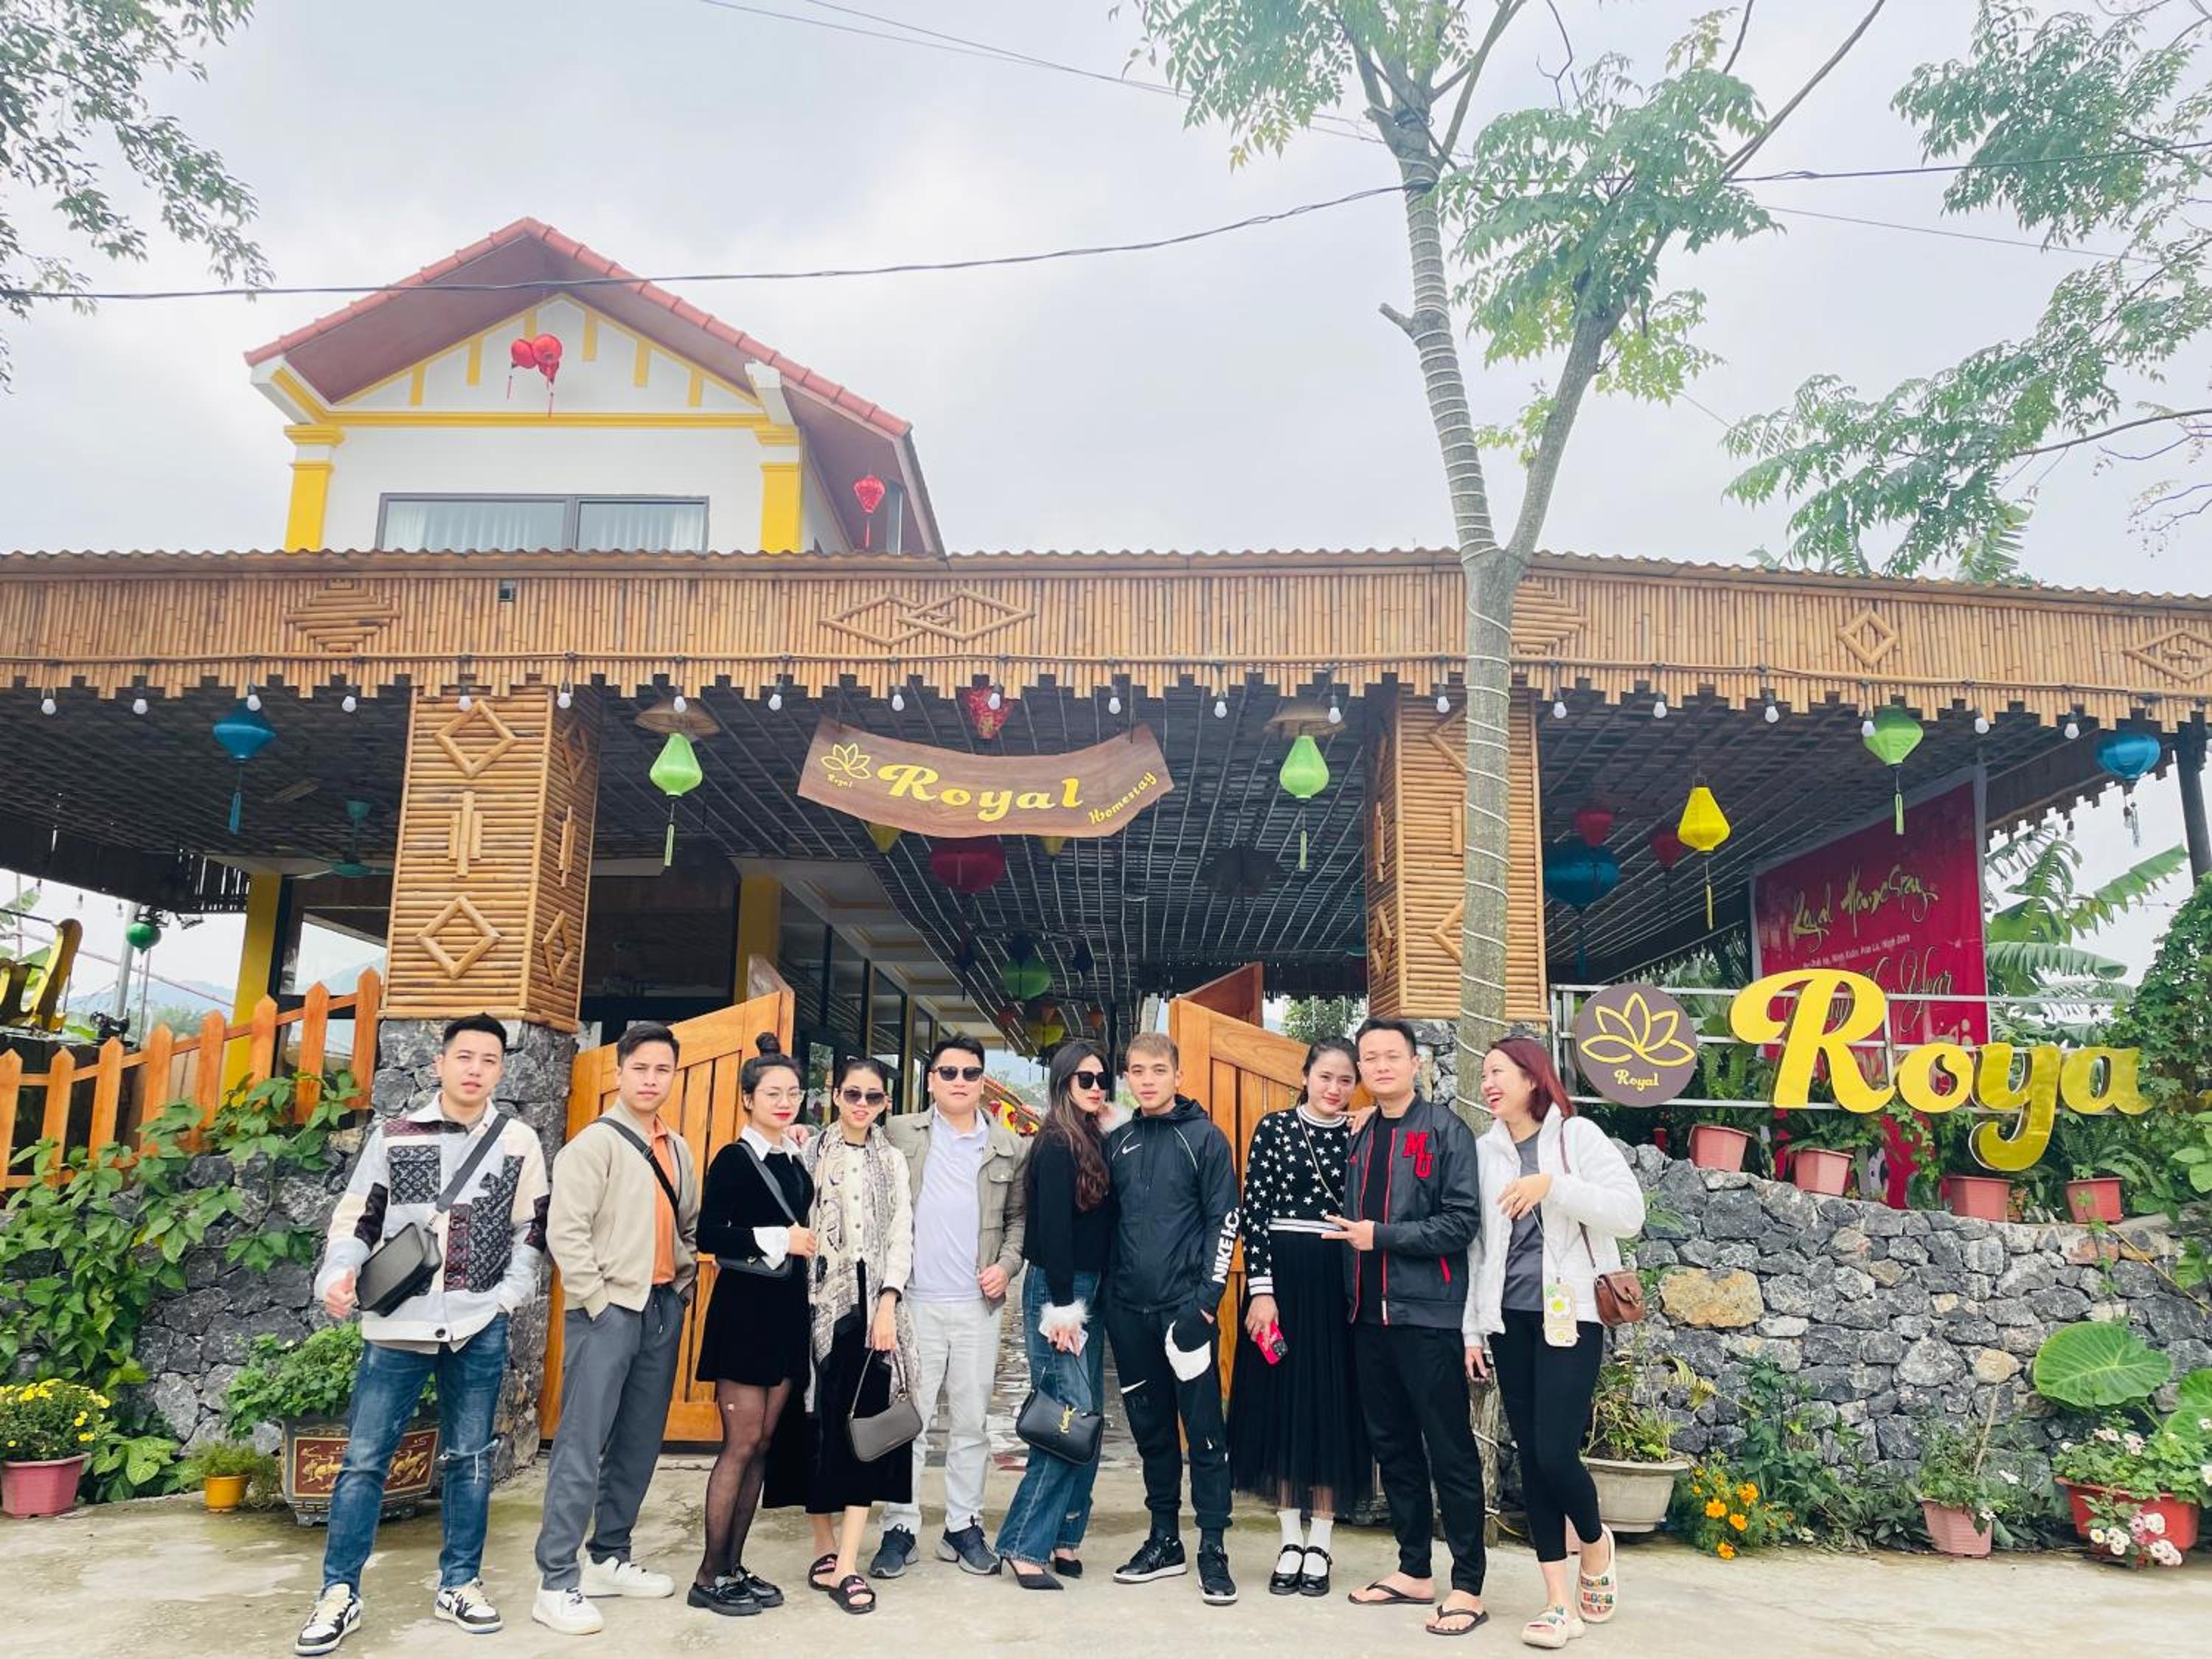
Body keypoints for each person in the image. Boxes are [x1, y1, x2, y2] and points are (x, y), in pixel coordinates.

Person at [294, 1015, 551, 1656]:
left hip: (476, 1323)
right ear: (440, 1063)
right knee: (364, 1460)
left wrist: (509, 1297)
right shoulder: (395, 1135)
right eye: (464, 1056)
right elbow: (359, 1217)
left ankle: (459, 1582)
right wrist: (338, 1272)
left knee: (471, 1458)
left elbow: (532, 1226)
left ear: (502, 1069)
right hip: (397, 1326)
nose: (475, 1069)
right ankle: (339, 1592)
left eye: (489, 1060)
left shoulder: (518, 1140)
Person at [1464, 1037, 1644, 1650]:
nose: (1489, 1084)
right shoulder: (1485, 1152)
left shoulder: (1577, 1137)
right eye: (1484, 1075)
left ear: (1533, 1078)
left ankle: (1593, 1541)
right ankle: (1557, 1603)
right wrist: (1473, 1328)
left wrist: (1552, 1186)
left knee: (1554, 1452)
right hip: (1509, 1320)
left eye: (1499, 1073)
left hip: (1571, 1317)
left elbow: (1629, 1213)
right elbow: (1479, 1249)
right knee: (1530, 1455)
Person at [530, 1020, 700, 1635]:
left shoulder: (678, 1149)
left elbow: (689, 1225)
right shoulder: (593, 1145)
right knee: (581, 1443)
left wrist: (680, 1291)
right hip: (607, 1311)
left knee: (638, 1440)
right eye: (641, 1068)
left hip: (659, 1308)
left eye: (662, 1070)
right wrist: (599, 1303)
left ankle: (609, 1556)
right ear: (620, 1072)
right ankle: (556, 1580)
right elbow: (566, 1232)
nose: (651, 1079)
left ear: (673, 1076)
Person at [1329, 1017, 1487, 1638]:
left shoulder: (1447, 1132)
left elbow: (1461, 1222)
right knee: (1392, 1447)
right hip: (1368, 1317)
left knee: (1449, 1450)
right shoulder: (1363, 1134)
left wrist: (1383, 1237)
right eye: (1369, 1058)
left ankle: (1468, 1584)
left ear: (1416, 1063)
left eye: (1392, 1056)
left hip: (1428, 1317)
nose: (1380, 1066)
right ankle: (1415, 1570)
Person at [869, 1036, 1030, 1579]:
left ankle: (963, 1526)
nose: (960, 1081)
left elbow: (1018, 1220)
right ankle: (900, 1526)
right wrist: (803, 1135)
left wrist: (1006, 1265)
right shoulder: (899, 1133)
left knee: (970, 1423)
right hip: (913, 1302)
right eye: (949, 1072)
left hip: (977, 1307)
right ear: (931, 1079)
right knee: (906, 1421)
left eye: (970, 1073)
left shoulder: (1008, 1146)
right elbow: (849, 1143)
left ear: (983, 1081)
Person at [1228, 1036, 1371, 1601]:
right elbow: (1254, 1213)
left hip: (1339, 1280)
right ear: (1305, 1075)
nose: (1334, 1089)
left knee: (1330, 1405)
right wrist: (1261, 1292)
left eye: (1345, 1080)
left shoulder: (1363, 1133)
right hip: (1281, 1281)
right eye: (1325, 1076)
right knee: (1282, 1403)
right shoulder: (1275, 1129)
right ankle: (1290, 1539)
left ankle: (1322, 1542)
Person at [1105, 1032, 1240, 1607]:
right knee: (1152, 1433)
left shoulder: (1205, 1139)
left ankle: (1213, 1546)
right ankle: (1165, 1540)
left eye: (1158, 1070)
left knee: (1204, 1430)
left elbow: (1225, 1220)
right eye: (1137, 1071)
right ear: (1127, 1078)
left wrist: (1205, 1303)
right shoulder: (1118, 1141)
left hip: (1185, 1313)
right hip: (1128, 1313)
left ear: (1178, 1076)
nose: (1148, 1080)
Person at [690, 1034, 814, 1618]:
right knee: (739, 1445)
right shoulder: (732, 1159)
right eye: (773, 1093)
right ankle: (708, 1575)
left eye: (793, 1093)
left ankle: (734, 1566)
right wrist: (779, 1239)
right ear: (748, 1099)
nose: (785, 1102)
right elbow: (709, 1235)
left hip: (788, 1311)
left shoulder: (793, 1157)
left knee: (763, 1444)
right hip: (745, 1312)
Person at [995, 1040, 1118, 1588]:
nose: (1096, 1087)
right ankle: (1025, 1543)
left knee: (1087, 1419)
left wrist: (1115, 1124)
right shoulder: (1053, 1144)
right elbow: (1054, 1231)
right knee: (1066, 1417)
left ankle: (1065, 1534)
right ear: (1063, 1082)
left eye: (1102, 1079)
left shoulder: (1094, 1137)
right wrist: (1063, 1309)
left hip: (1091, 1287)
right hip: (1059, 1287)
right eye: (1084, 1079)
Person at [800, 1057, 918, 1616]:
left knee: (863, 1427)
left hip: (872, 1304)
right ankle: (823, 1545)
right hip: (811, 1303)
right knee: (812, 1425)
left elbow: (901, 1233)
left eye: (873, 1097)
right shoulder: (808, 1152)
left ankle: (848, 1563)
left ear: (885, 1104)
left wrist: (889, 1302)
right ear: (835, 1095)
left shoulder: (891, 1160)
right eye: (853, 1094)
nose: (862, 1105)